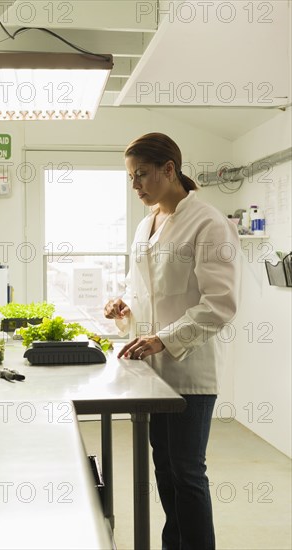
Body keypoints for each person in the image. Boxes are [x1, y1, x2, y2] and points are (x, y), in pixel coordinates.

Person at [104, 132, 241, 550]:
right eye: (131, 178)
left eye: (142, 175)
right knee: (164, 469)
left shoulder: (208, 223)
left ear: (169, 169)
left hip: (188, 372)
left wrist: (163, 339)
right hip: (150, 373)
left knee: (186, 471)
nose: (136, 186)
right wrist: (123, 307)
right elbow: (142, 288)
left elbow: (220, 304)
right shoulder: (147, 224)